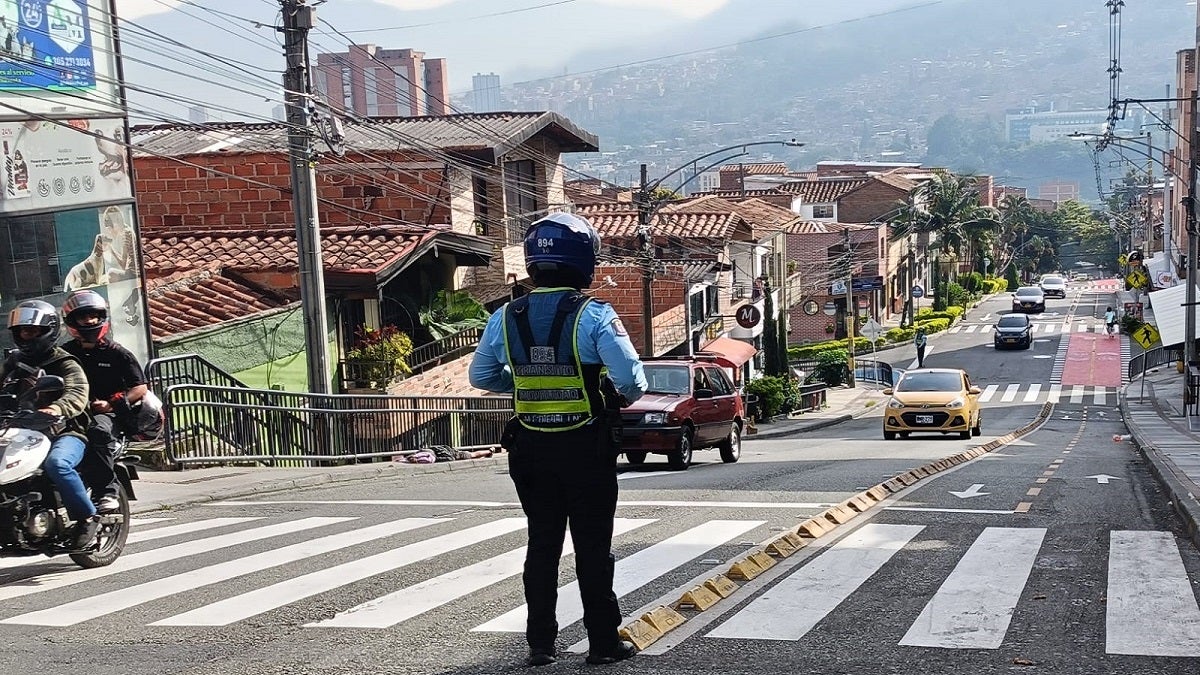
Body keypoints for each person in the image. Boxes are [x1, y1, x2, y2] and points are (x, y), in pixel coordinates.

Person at [469, 212, 647, 668]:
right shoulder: (595, 315)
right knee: (592, 546)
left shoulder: (506, 315)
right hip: (586, 447)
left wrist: (527, 378)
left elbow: (482, 375)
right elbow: (632, 379)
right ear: (585, 262)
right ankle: (603, 642)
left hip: (529, 450)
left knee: (542, 544)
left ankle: (539, 644)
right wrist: (612, 392)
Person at [2, 300, 96, 549]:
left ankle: (86, 518)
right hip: (20, 429)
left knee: (58, 464)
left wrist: (56, 408)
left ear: (48, 331)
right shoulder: (13, 363)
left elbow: (77, 393)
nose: (27, 336)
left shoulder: (65, 363)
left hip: (66, 430)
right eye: (23, 331)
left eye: (32, 331)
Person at [60, 290, 157, 513]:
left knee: (98, 431)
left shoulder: (117, 353)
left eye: (93, 315)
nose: (89, 321)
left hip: (109, 413)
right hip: (74, 411)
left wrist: (111, 404)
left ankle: (108, 491)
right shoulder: (65, 353)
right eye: (83, 317)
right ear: (72, 321)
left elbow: (139, 387)